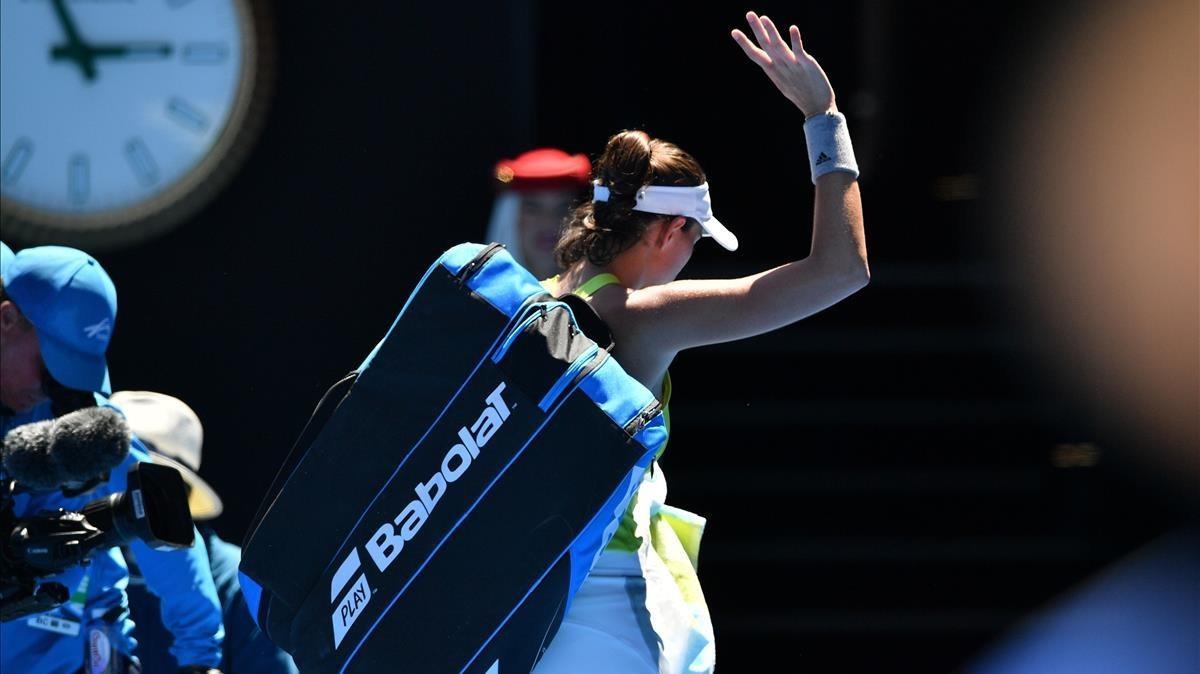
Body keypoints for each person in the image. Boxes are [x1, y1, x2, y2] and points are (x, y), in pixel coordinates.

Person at [531, 12, 868, 674]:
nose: (691, 258)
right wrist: (823, 115)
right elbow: (842, 271)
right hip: (603, 616)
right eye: (695, 239)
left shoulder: (530, 298)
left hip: (515, 614)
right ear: (666, 234)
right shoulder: (642, 317)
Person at [0, 244, 226, 674]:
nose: (53, 388)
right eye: (50, 365)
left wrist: (200, 659)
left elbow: (163, 522)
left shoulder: (81, 426)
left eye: (70, 369)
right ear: (7, 319)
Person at [111, 390, 299, 674]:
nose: (128, 501)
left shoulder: (242, 585)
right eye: (114, 480)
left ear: (180, 495)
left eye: (143, 486)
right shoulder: (72, 567)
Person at [486, 147, 592, 279]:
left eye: (562, 208)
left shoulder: (607, 296)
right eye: (533, 208)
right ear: (509, 217)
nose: (548, 221)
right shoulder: (472, 296)